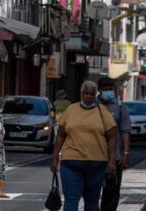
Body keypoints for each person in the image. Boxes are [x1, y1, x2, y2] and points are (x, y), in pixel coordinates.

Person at [51, 80, 117, 211]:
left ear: (95, 95)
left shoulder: (103, 111)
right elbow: (60, 135)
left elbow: (112, 137)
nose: (89, 96)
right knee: (71, 199)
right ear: (81, 94)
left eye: (92, 94)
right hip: (71, 163)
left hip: (96, 164)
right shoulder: (71, 110)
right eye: (86, 93)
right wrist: (54, 157)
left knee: (92, 201)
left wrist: (112, 161)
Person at [97, 76, 132, 211]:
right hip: (94, 156)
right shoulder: (92, 105)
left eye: (110, 89)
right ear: (99, 90)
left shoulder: (119, 106)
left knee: (112, 192)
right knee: (92, 190)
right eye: (105, 89)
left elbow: (125, 132)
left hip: (115, 158)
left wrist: (126, 153)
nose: (108, 92)